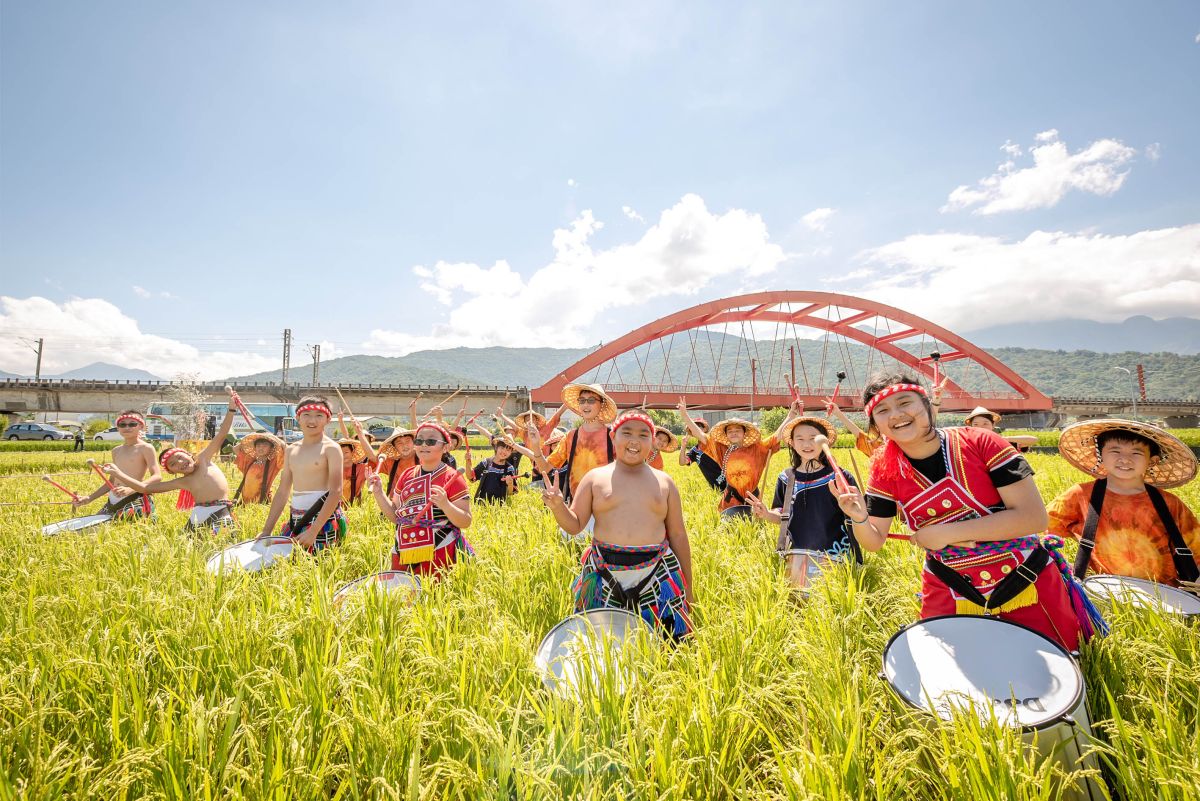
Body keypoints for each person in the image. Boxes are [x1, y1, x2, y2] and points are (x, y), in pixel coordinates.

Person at [832, 373, 1094, 651]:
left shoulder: (981, 443)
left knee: (1053, 670)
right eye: (882, 411)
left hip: (1024, 577)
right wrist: (858, 516)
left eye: (904, 402)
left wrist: (946, 533)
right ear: (876, 425)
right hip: (949, 585)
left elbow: (1033, 518)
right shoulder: (884, 471)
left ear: (926, 404)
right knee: (951, 683)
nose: (896, 415)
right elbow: (874, 541)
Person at [541, 410, 694, 640]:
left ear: (652, 442)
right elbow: (575, 526)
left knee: (666, 644)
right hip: (605, 571)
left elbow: (678, 535)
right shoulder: (594, 478)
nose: (634, 440)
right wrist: (558, 507)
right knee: (601, 643)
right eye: (627, 433)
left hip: (657, 572)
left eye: (643, 435)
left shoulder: (665, 482)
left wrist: (688, 588)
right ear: (613, 437)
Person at [1048, 419, 1199, 589]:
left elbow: (1196, 549)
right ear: (1100, 455)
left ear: (1153, 461)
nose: (1125, 459)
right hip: (1103, 592)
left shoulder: (1170, 503)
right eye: (1115, 450)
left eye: (1136, 453)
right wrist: (1059, 567)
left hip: (1165, 594)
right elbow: (1041, 531)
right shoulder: (1081, 496)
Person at [103, 389, 240, 532]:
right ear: (172, 472)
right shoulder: (182, 482)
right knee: (190, 548)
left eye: (180, 457)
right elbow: (144, 488)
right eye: (173, 464)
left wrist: (231, 409)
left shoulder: (204, 459)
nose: (180, 462)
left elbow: (222, 433)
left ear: (189, 455)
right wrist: (118, 474)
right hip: (198, 514)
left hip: (221, 510)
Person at [748, 415, 862, 563]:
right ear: (793, 444)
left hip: (836, 558)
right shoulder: (786, 478)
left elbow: (859, 514)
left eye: (813, 438)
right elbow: (782, 515)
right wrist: (766, 514)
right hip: (796, 558)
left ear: (824, 442)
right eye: (800, 439)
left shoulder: (840, 476)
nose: (806, 444)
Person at [368, 421, 473, 577]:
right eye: (419, 440)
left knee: (435, 597)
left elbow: (466, 521)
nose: (424, 444)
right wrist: (379, 493)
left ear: (445, 447)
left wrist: (445, 505)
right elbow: (396, 517)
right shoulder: (407, 475)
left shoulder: (453, 477)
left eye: (431, 441)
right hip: (403, 548)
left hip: (440, 548)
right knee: (401, 594)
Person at [676, 396, 801, 518]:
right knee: (729, 532)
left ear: (744, 433)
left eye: (737, 430)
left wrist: (791, 415)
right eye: (730, 431)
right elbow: (701, 435)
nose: (733, 433)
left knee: (754, 531)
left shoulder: (757, 448)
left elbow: (777, 436)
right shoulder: (721, 449)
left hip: (753, 497)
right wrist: (685, 416)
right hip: (731, 498)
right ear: (726, 435)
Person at [259, 396, 345, 552]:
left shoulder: (331, 448)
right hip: (296, 519)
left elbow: (336, 492)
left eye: (319, 415)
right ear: (298, 417)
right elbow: (283, 492)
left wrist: (313, 531)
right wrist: (267, 530)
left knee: (318, 569)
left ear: (327, 419)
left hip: (323, 520)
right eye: (307, 415)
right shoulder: (291, 450)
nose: (312, 420)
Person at [526, 383, 619, 504]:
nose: (586, 404)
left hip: (606, 506)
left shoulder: (613, 437)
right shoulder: (571, 437)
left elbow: (627, 472)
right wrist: (536, 446)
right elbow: (545, 467)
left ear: (601, 404)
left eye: (591, 400)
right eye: (582, 400)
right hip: (577, 506)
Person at [72, 409, 160, 519]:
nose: (127, 427)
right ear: (117, 428)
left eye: (132, 424)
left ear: (141, 426)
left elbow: (157, 477)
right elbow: (111, 482)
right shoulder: (116, 450)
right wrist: (89, 498)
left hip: (134, 497)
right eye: (122, 424)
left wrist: (131, 489)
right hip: (113, 498)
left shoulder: (146, 448)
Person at [233, 432, 284, 504]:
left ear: (271, 448)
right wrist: (247, 437)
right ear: (255, 447)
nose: (261, 448)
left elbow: (288, 452)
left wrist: (278, 440)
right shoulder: (249, 462)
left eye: (265, 446)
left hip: (262, 503)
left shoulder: (273, 464)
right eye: (258, 445)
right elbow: (235, 449)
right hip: (245, 502)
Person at [467, 435, 519, 503]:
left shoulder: (509, 468)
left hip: (500, 506)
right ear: (496, 447)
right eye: (502, 448)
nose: (504, 451)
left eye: (508, 450)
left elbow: (510, 493)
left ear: (511, 452)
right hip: (482, 504)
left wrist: (510, 484)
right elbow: (470, 477)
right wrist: (467, 461)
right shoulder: (486, 463)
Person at [963, 406, 1038, 452]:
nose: (981, 427)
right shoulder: (967, 444)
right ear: (971, 426)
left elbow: (1033, 440)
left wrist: (1003, 439)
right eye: (976, 424)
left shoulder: (1001, 442)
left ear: (993, 425)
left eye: (985, 423)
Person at [677, 416, 723, 489]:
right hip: (716, 487)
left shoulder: (712, 442)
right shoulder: (695, 450)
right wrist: (683, 447)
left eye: (698, 426)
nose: (694, 429)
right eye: (692, 428)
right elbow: (682, 462)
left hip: (728, 482)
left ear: (704, 429)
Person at [338, 437, 371, 504]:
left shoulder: (362, 468)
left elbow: (376, 461)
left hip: (354, 508)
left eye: (346, 452)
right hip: (335, 508)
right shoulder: (333, 469)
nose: (343, 455)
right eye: (340, 452)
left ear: (352, 452)